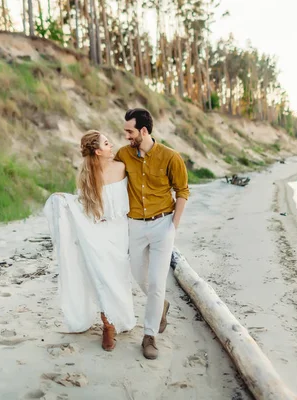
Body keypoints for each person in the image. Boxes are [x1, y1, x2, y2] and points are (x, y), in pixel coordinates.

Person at [43, 130, 136, 351]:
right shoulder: (87, 175)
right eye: (106, 143)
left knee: (119, 276)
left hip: (120, 230)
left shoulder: (122, 167)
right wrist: (63, 200)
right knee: (101, 277)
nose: (111, 145)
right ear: (97, 151)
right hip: (96, 231)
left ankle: (120, 317)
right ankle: (108, 325)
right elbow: (82, 205)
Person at [114, 108, 190, 360]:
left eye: (129, 131)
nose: (125, 136)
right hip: (134, 225)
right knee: (139, 276)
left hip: (162, 224)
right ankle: (162, 307)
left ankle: (149, 336)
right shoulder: (123, 154)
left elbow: (182, 191)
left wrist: (173, 225)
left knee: (157, 282)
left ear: (143, 131)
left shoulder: (171, 157)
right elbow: (110, 180)